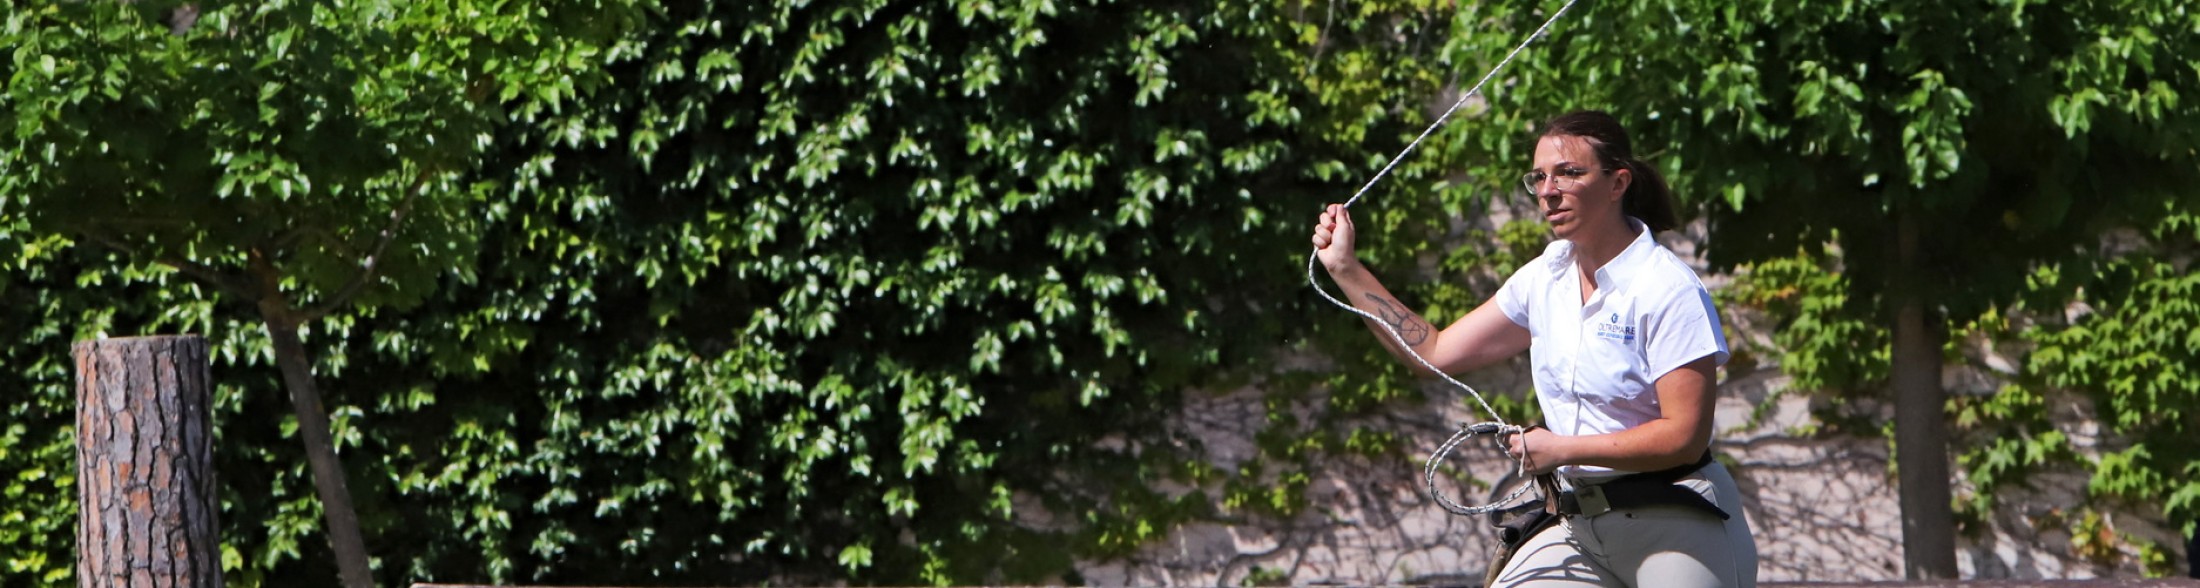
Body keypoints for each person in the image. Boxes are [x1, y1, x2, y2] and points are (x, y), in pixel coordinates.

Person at [1310, 110, 1757, 587]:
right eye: (1539, 177)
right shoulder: (1545, 276)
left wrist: (1561, 449)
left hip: (1677, 519)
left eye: (1568, 173)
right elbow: (1435, 352)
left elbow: (1685, 436)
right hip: (1578, 524)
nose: (1548, 191)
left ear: (1618, 182)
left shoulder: (1667, 288)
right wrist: (1345, 269)